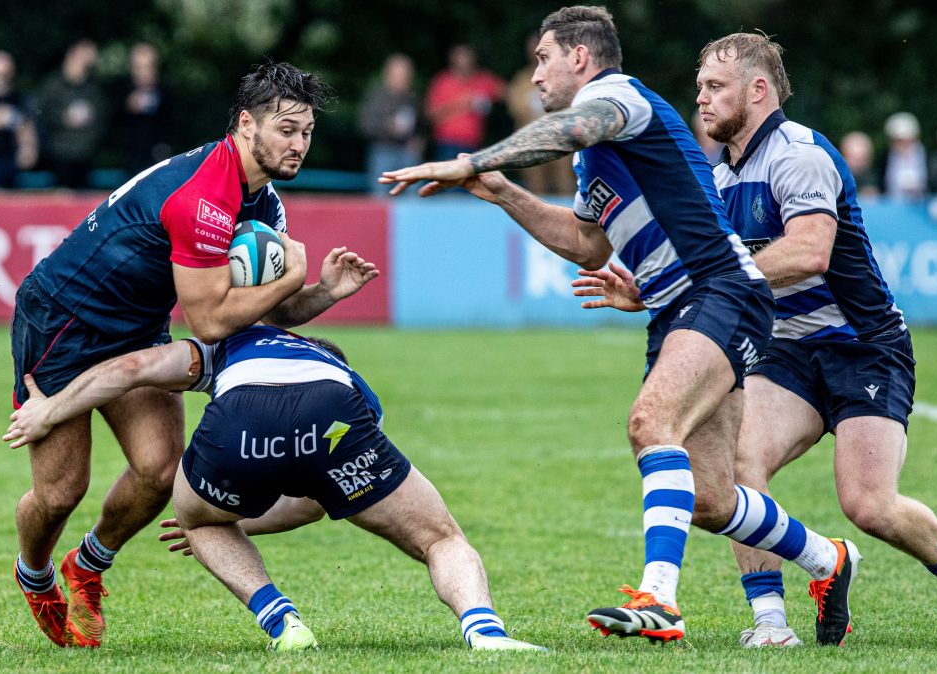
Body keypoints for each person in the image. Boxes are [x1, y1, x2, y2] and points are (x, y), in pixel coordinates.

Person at [381, 6, 858, 646]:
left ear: (581, 57)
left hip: (718, 289)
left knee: (649, 423)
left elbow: (576, 126)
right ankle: (829, 559)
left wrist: (472, 160)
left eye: (544, 58)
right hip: (681, 309)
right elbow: (587, 244)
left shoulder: (617, 98)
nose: (536, 75)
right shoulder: (594, 154)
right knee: (711, 498)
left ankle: (659, 600)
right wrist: (500, 191)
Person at [574, 31, 937, 647]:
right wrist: (649, 288)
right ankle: (770, 622)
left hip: (861, 343)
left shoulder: (799, 153)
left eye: (715, 86)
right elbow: (700, 266)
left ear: (758, 90)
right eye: (699, 87)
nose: (702, 98)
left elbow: (809, 251)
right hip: (784, 350)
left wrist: (719, 275)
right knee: (739, 467)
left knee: (869, 506)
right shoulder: (714, 176)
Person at [9, 61, 370, 649]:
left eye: (306, 132)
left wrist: (322, 292)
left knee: (158, 472)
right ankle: (34, 571)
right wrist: (292, 276)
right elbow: (207, 322)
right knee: (60, 492)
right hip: (63, 319)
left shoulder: (264, 203)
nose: (299, 144)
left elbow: (265, 308)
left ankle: (88, 566)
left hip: (138, 324)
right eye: (286, 130)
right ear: (246, 124)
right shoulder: (204, 194)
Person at [4, 325, 545, 653]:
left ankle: (282, 621)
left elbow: (132, 368)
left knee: (200, 521)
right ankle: (485, 632)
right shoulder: (352, 382)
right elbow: (315, 502)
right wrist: (246, 522)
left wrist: (51, 409)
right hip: (335, 413)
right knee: (440, 538)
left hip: (242, 417)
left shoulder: (228, 343)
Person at [505, 34, 576, 194]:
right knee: (535, 188)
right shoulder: (521, 79)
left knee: (564, 184)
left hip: (561, 140)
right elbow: (515, 108)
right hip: (531, 143)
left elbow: (571, 104)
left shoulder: (562, 76)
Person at [35, 39, 106, 189]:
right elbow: (41, 115)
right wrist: (62, 118)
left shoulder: (94, 87)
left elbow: (101, 119)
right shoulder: (52, 85)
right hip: (58, 155)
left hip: (85, 155)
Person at [424, 44, 506, 160]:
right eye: (460, 58)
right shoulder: (442, 81)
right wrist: (461, 104)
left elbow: (507, 93)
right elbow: (430, 115)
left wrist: (487, 102)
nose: (464, 62)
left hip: (473, 144)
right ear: (452, 60)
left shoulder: (483, 80)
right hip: (447, 143)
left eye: (467, 58)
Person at [358, 53, 425, 195]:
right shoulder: (376, 98)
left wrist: (419, 140)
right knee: (380, 197)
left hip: (408, 153)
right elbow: (365, 126)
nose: (402, 79)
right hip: (383, 151)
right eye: (398, 75)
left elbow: (422, 125)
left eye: (405, 75)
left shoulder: (413, 98)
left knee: (412, 197)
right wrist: (387, 127)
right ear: (387, 74)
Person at [117, 42, 174, 175]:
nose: (143, 72)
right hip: (130, 159)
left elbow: (173, 123)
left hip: (158, 157)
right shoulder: (122, 91)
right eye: (138, 67)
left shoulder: (166, 91)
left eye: (148, 67)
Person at [0, 49, 38, 187]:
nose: (0, 77)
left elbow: (26, 126)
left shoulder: (20, 98)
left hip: (11, 160)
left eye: (4, 73)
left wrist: (29, 147)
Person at [881, 111, 927, 201]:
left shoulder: (928, 159)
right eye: (897, 140)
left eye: (906, 140)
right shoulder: (884, 159)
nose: (902, 144)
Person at [838, 130, 879, 198]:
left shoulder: (872, 178)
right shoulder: (836, 178)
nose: (857, 164)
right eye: (852, 158)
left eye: (862, 159)